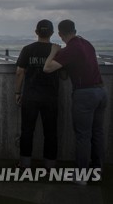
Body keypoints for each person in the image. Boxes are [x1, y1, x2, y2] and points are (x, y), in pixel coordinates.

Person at [43, 19, 107, 185]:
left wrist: (53, 51)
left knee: (83, 136)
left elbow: (47, 68)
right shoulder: (86, 44)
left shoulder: (71, 49)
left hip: (85, 94)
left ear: (59, 34)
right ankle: (96, 171)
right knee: (97, 133)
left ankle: (80, 176)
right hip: (101, 91)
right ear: (75, 30)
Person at [15, 19, 60, 170]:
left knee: (27, 131)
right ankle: (50, 165)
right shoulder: (57, 51)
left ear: (36, 32)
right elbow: (65, 74)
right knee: (51, 132)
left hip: (31, 96)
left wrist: (17, 92)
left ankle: (25, 164)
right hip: (51, 97)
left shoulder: (28, 49)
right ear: (52, 33)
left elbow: (20, 72)